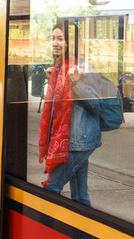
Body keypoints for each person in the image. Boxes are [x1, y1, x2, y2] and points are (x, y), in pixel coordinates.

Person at [38, 25, 103, 207]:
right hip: (72, 141)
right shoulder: (60, 67)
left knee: (51, 188)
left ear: (71, 43)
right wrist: (53, 77)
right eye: (53, 38)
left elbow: (97, 104)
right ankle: (81, 234)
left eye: (60, 39)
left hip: (79, 141)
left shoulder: (83, 67)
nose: (55, 43)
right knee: (80, 198)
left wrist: (76, 83)